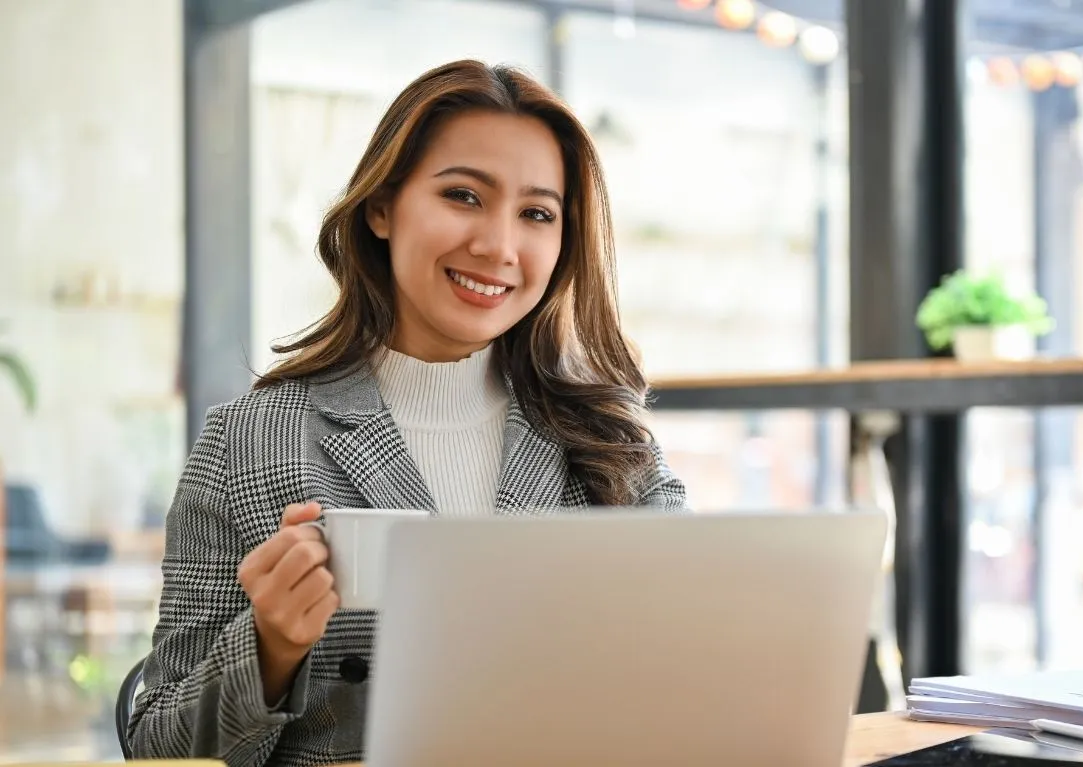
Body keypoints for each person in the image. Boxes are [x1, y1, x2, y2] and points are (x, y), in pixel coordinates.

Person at [128, 59, 687, 766]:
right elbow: (154, 746)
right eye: (463, 196)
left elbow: (690, 667)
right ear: (382, 207)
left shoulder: (611, 441)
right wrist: (269, 645)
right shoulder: (247, 443)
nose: (498, 246)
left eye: (537, 214)